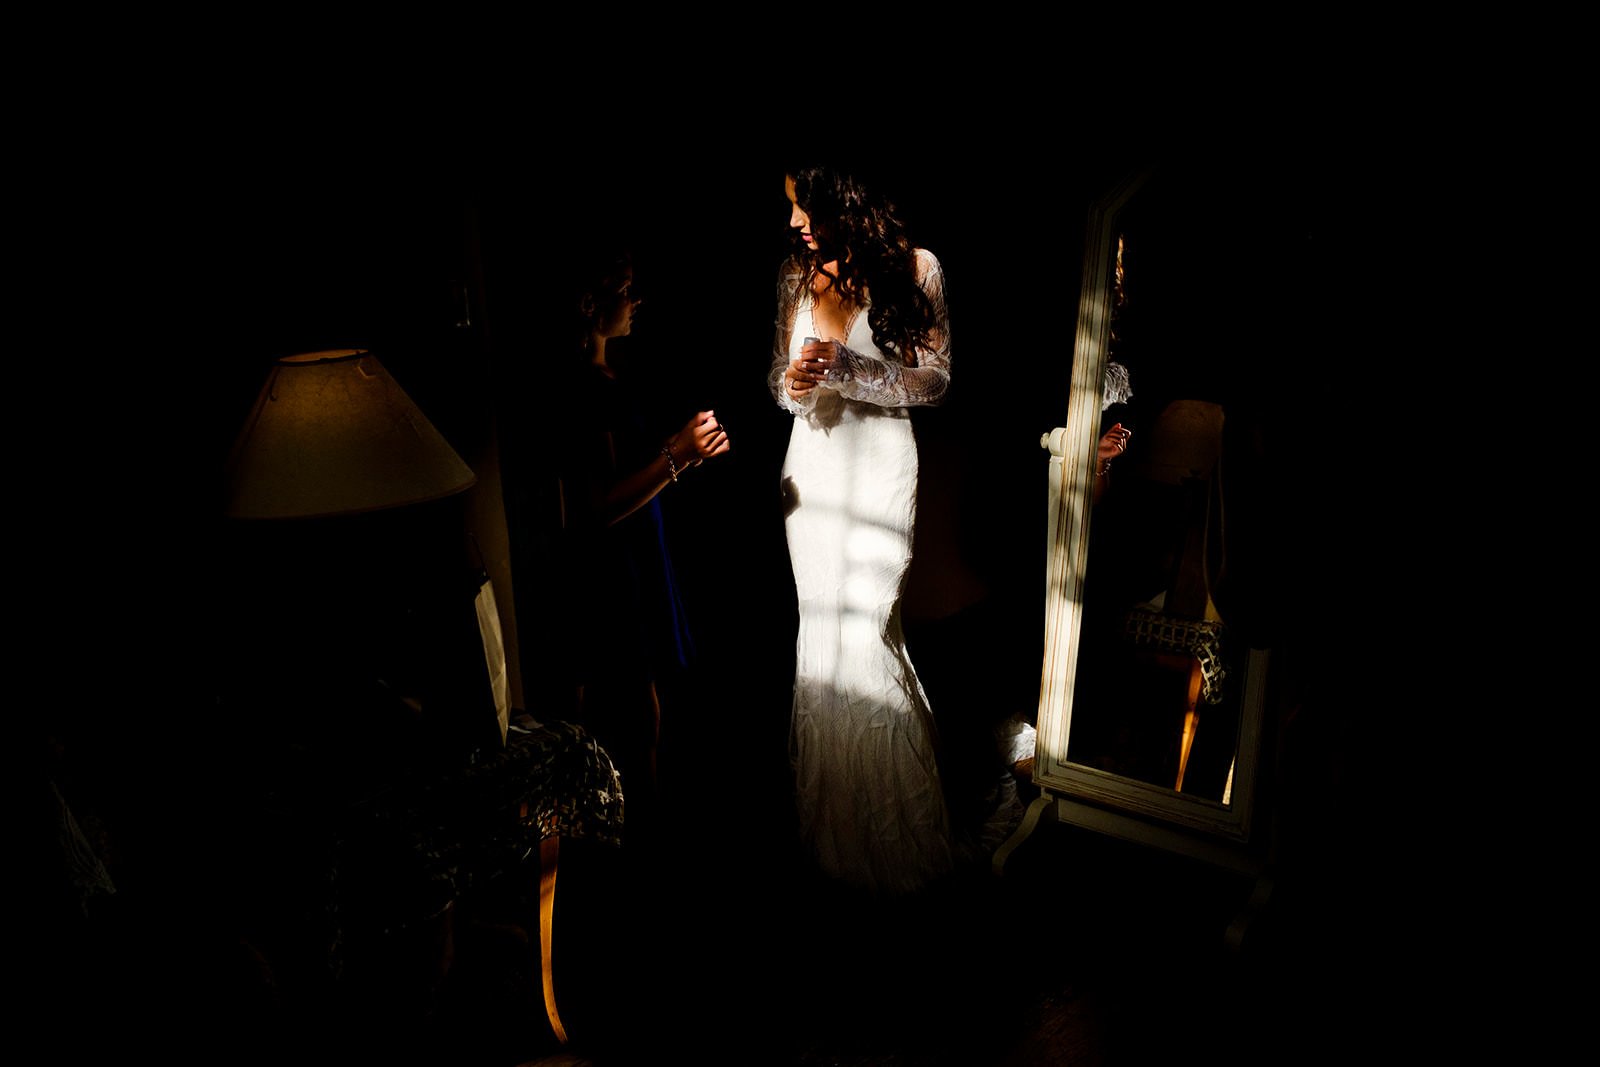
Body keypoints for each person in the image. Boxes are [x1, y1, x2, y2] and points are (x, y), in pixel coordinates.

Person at [768, 162, 956, 896]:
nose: (792, 223)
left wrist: (852, 368)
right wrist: (797, 382)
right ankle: (836, 843)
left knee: (868, 634)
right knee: (822, 642)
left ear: (844, 194)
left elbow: (937, 380)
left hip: (880, 466)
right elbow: (777, 383)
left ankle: (900, 844)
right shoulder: (796, 273)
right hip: (811, 473)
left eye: (801, 204)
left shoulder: (917, 267)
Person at [552, 242, 731, 844]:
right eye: (625, 289)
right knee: (632, 724)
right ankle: (637, 860)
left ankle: (644, 848)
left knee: (648, 719)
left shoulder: (607, 379)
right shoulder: (581, 389)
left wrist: (685, 456)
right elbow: (597, 505)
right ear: (590, 300)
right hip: (613, 575)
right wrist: (677, 454)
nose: (636, 300)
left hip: (639, 563)